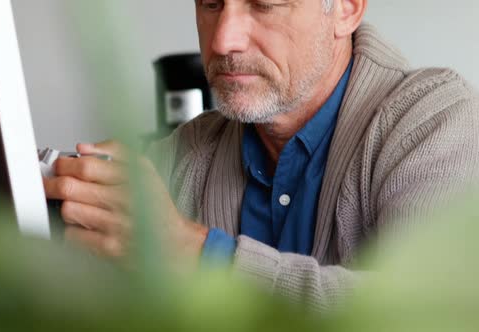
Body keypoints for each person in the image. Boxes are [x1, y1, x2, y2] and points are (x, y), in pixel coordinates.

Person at [43, 0, 479, 309]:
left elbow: (430, 312)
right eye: (211, 3)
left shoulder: (433, 121)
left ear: (346, 8)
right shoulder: (187, 153)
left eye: (264, 4)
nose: (223, 41)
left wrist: (198, 256)